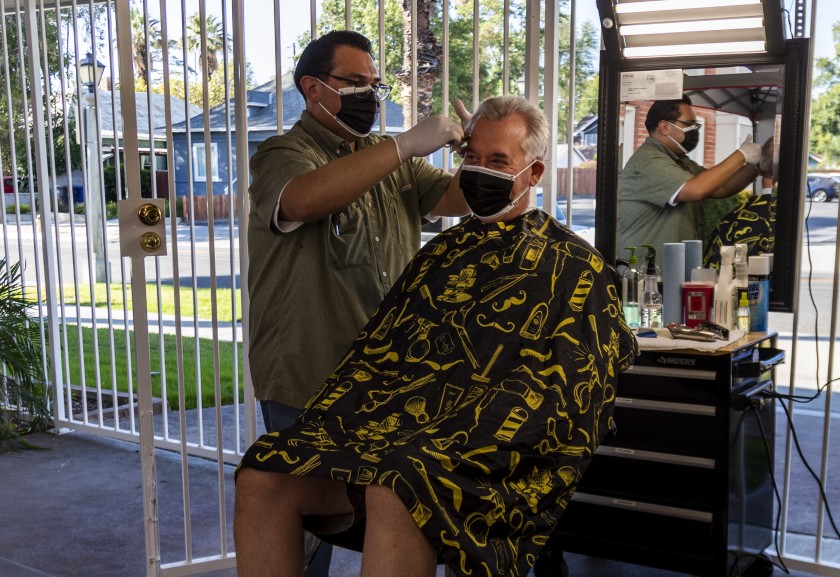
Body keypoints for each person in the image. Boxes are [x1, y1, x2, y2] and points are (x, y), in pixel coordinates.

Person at [234, 95, 639, 577]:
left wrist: (445, 431)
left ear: (533, 174)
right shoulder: (442, 252)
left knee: (399, 482)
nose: (479, 171)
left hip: (490, 451)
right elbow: (382, 357)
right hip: (399, 431)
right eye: (471, 157)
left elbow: (571, 392)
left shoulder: (575, 265)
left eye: (497, 161)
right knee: (264, 471)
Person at [247, 30, 469, 574]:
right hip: (308, 375)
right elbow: (299, 200)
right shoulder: (282, 153)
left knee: (376, 505)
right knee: (301, 518)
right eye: (355, 83)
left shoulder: (387, 159)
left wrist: (483, 155)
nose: (370, 94)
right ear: (312, 88)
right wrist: (405, 145)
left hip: (383, 379)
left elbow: (456, 199)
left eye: (375, 84)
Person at [617, 94, 764, 259]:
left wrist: (755, 166)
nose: (694, 131)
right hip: (647, 278)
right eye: (688, 124)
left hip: (675, 272)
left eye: (696, 125)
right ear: (664, 127)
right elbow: (697, 189)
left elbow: (720, 187)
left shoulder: (679, 161)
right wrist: (742, 154)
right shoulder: (648, 160)